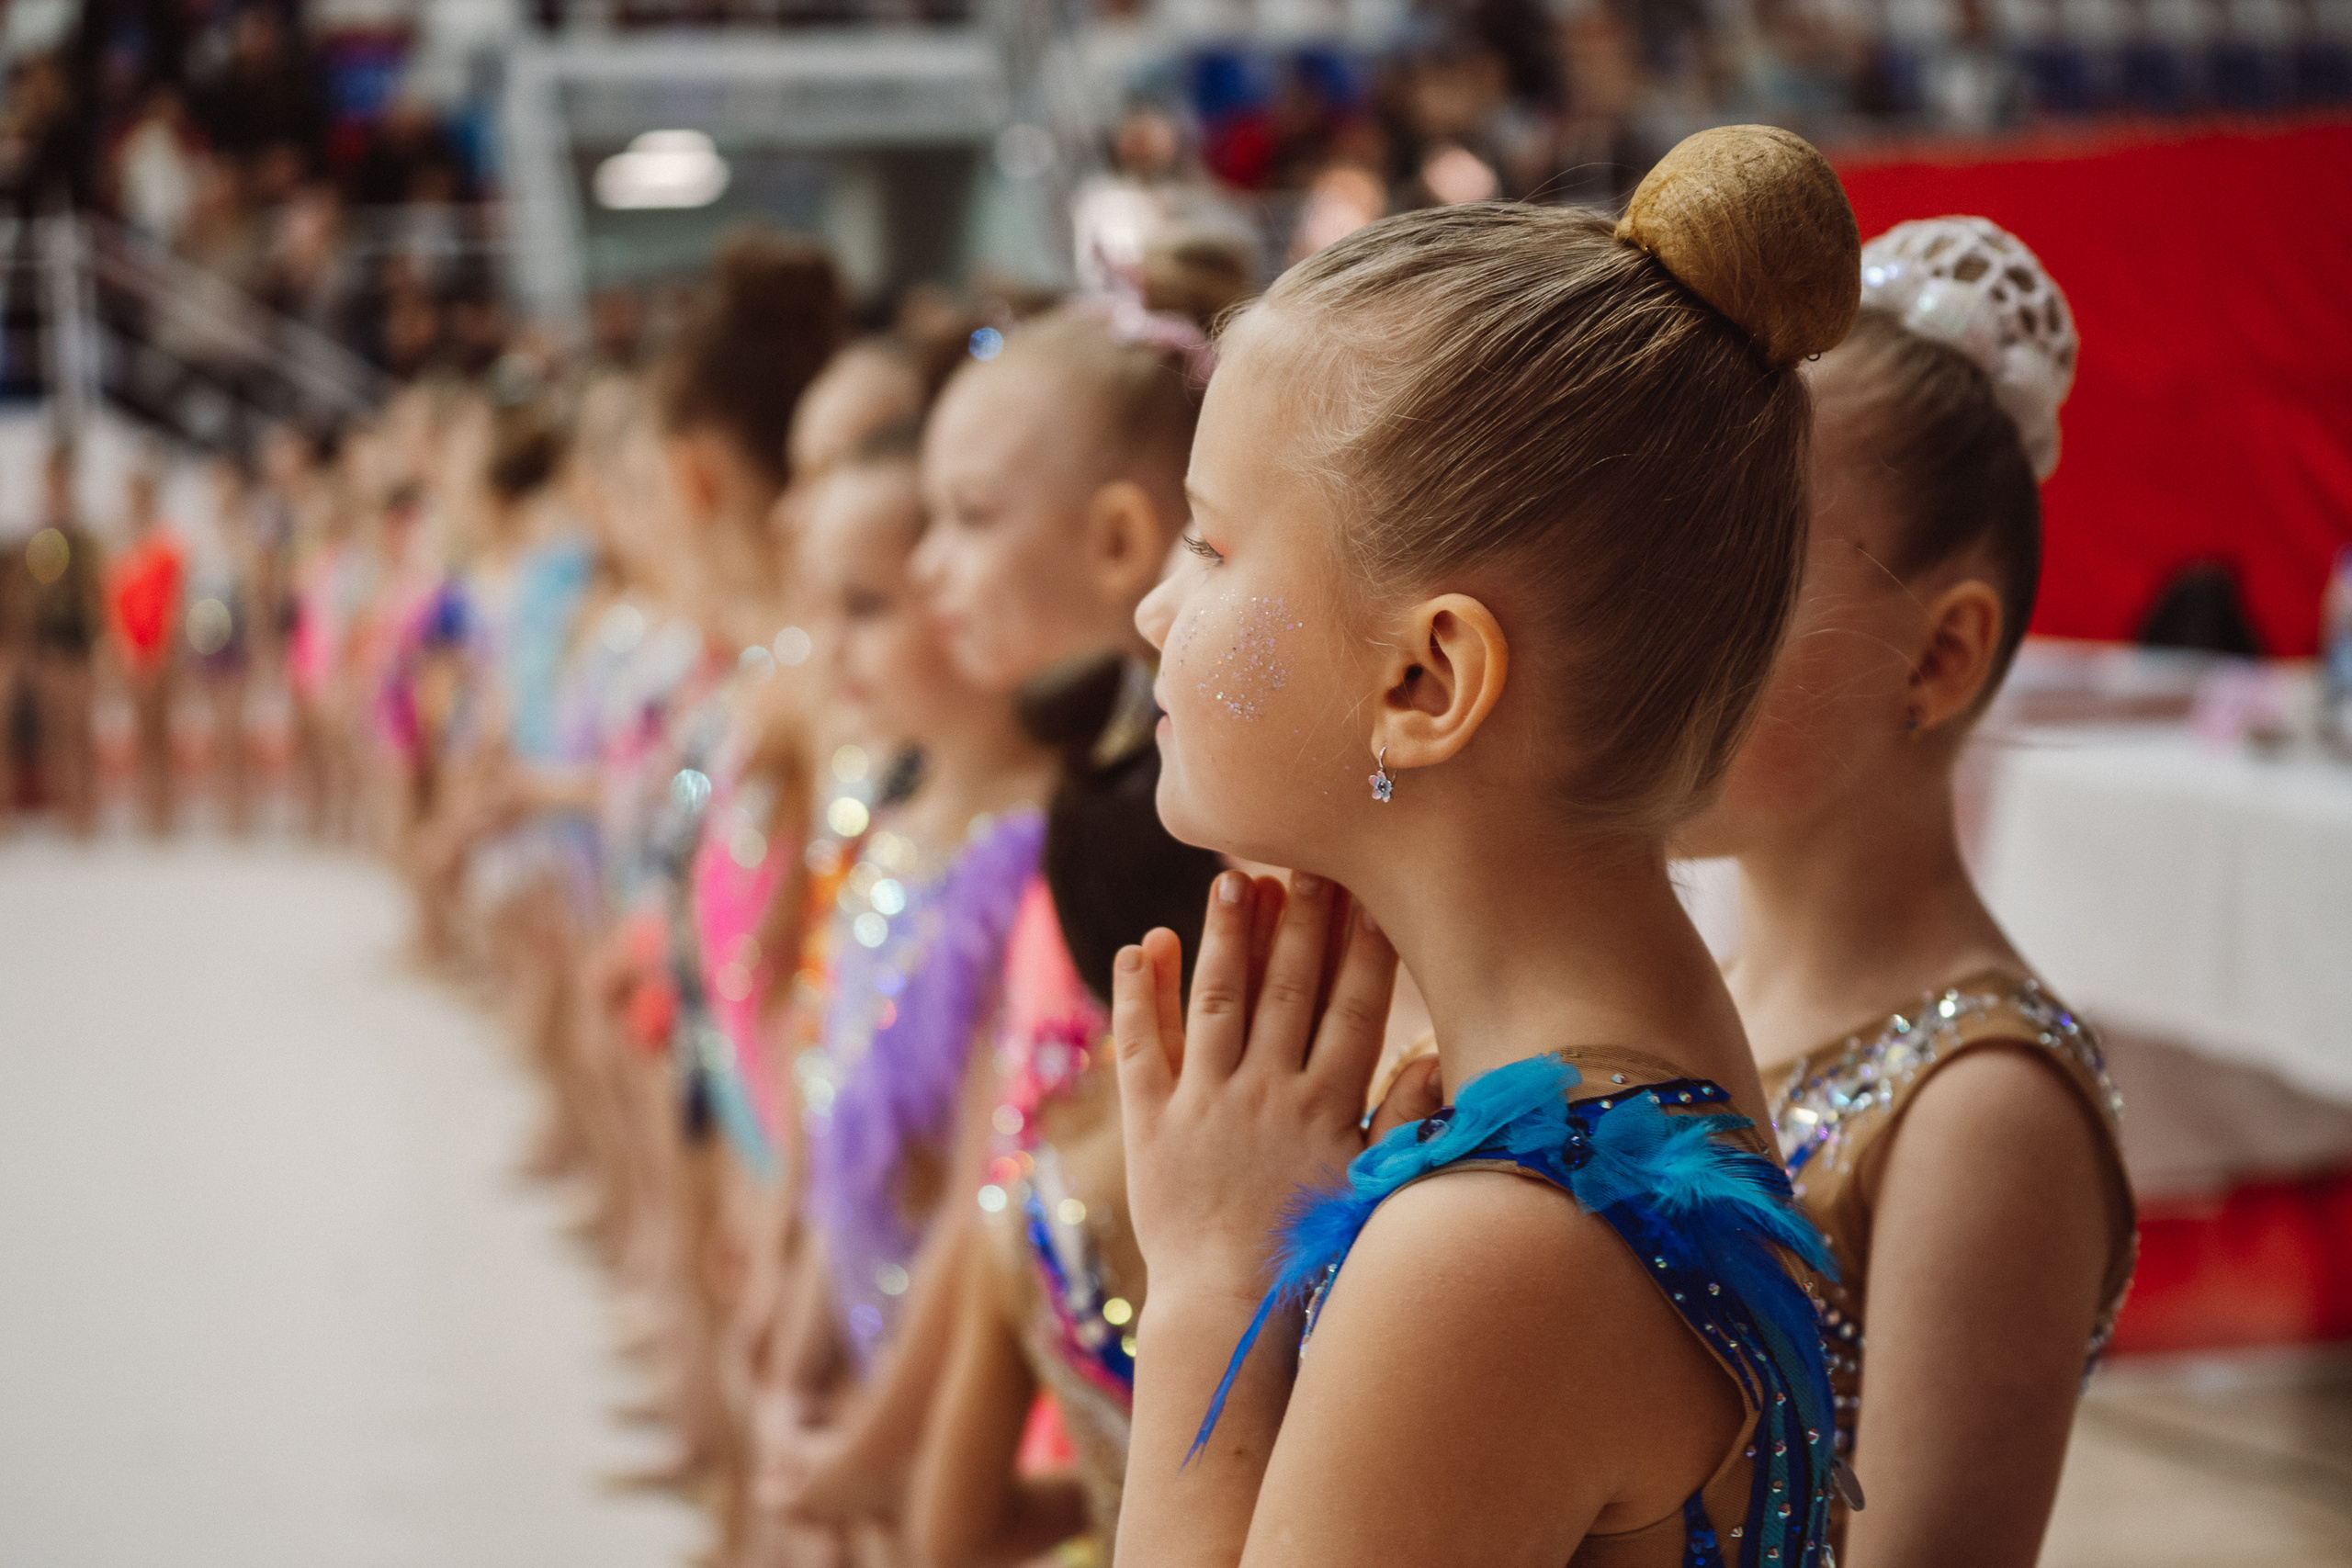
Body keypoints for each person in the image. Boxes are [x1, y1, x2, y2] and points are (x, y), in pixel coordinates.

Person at [1109, 125, 1860, 1567]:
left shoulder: (1497, 1248)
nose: (1155, 607)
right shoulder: (1624, 1048)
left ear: (1425, 682)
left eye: (1208, 546)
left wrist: (1207, 1279)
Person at [1674, 216, 2135, 1568]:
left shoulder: (1982, 1109)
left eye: (1742, 579)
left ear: (1937, 658)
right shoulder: (1692, 987)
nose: (1658, 633)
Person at [899, 304, 1221, 1568]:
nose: (934, 567)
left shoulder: (1172, 829)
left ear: (1120, 540)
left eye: (969, 517)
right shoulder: (1098, 804)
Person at [765, 431, 1058, 1552]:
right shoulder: (897, 818)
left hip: (956, 1380)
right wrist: (801, 1344)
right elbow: (831, 1098)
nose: (826, 644)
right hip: (866, 1327)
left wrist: (878, 1444)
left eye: (865, 606)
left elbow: (982, 1191)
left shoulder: (1026, 861)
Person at [26, 445, 103, 835]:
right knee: (57, 729)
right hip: (50, 641)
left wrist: (100, 644)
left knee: (79, 727)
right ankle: (66, 808)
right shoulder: (37, 534)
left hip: (78, 640)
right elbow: (31, 597)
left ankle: (85, 811)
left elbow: (93, 594)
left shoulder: (82, 534)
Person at [107, 468, 186, 836]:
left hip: (161, 650)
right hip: (133, 651)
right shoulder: (121, 544)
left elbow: (173, 600)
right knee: (141, 733)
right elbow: (114, 601)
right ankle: (146, 812)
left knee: (161, 732)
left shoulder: (165, 542)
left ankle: (165, 811)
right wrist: (125, 649)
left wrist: (162, 651)